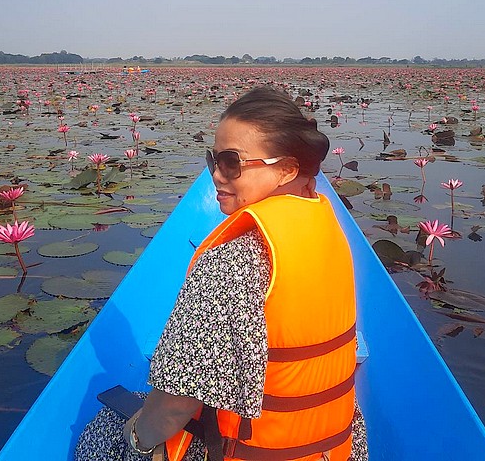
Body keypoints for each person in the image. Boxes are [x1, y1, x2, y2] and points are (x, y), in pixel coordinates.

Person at [76, 86, 367, 460]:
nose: (216, 174)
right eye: (213, 159)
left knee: (100, 433)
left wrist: (136, 440)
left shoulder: (229, 261)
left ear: (287, 169)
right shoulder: (326, 228)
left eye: (232, 162)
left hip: (248, 453)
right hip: (336, 450)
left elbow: (173, 408)